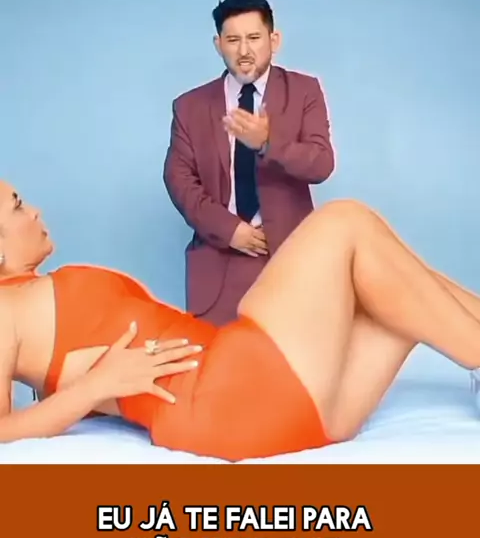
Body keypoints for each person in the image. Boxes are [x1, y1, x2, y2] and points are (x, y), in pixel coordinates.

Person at [1, 179, 480, 462]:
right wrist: (95, 387)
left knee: (397, 287)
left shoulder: (27, 297)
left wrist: (87, 390)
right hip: (229, 395)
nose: (35, 210)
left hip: (275, 413)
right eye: (18, 206)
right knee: (346, 221)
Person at [163, 0, 335, 326]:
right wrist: (229, 230)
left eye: (254, 38)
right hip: (218, 265)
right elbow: (179, 181)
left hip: (289, 261)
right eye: (233, 40)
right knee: (217, 359)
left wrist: (269, 143)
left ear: (274, 40)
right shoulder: (189, 106)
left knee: (288, 358)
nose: (244, 50)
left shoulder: (305, 91)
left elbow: (321, 164)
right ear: (218, 44)